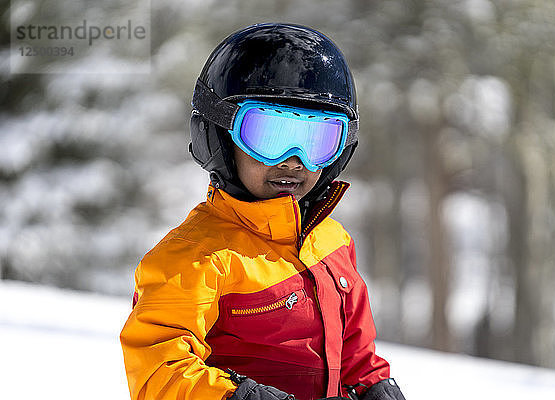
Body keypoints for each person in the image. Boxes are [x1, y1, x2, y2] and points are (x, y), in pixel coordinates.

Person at [120, 23, 407, 400]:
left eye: (317, 140)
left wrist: (373, 387)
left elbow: (354, 355)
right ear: (219, 136)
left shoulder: (332, 243)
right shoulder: (193, 258)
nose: (293, 161)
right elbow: (160, 370)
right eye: (269, 137)